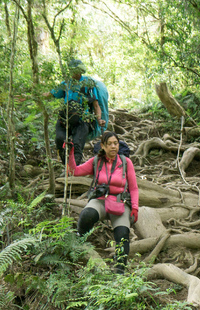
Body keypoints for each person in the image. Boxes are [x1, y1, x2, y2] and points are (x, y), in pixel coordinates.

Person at [68, 130, 140, 273]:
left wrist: (135, 208)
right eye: (110, 144)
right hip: (100, 201)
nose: (113, 147)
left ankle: (119, 270)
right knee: (87, 214)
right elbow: (74, 171)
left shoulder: (126, 163)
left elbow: (134, 188)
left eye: (116, 144)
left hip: (120, 203)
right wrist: (70, 153)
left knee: (123, 236)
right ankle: (80, 242)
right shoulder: (96, 161)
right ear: (103, 146)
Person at [47, 59, 105, 164]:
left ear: (80, 71)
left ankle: (74, 169)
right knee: (59, 140)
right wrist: (31, 96)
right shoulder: (65, 84)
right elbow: (50, 94)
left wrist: (99, 119)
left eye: (76, 71)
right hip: (65, 119)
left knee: (77, 145)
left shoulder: (88, 84)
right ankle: (65, 166)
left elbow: (96, 105)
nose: (74, 73)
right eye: (72, 71)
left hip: (83, 120)